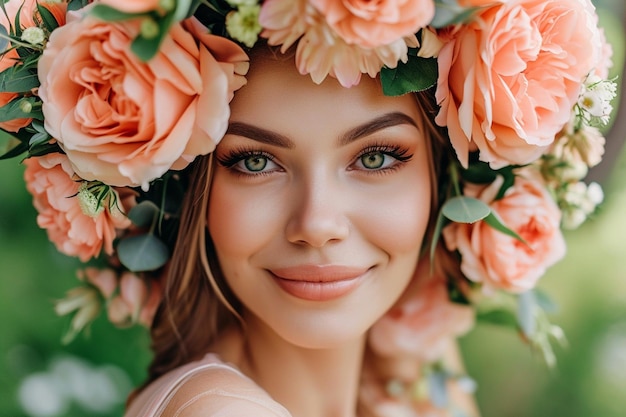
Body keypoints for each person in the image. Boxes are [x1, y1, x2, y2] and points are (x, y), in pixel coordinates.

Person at [0, 0, 616, 416]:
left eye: (375, 158)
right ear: (184, 193)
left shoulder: (406, 377)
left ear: (447, 180)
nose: (317, 224)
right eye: (254, 161)